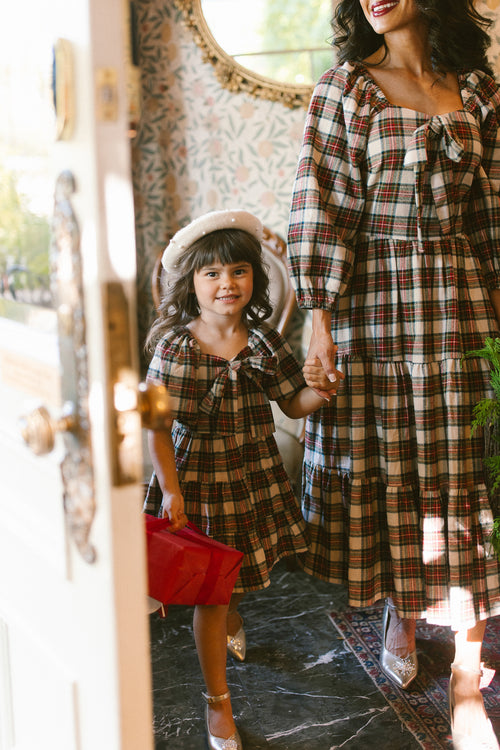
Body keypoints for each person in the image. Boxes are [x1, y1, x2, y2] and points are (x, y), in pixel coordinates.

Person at [287, 1, 500, 748]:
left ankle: (469, 673)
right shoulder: (344, 89)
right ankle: (401, 616)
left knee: (462, 471)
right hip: (373, 309)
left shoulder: (477, 87)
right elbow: (322, 208)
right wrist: (319, 316)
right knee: (395, 465)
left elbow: (491, 213)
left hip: (461, 305)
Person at [143, 209, 340, 750]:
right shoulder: (175, 349)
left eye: (237, 271)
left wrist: (320, 390)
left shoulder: (264, 344)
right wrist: (172, 488)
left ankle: (231, 613)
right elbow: (157, 428)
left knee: (233, 578)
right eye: (212, 274)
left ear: (254, 278)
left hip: (251, 478)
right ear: (192, 285)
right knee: (211, 592)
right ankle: (217, 702)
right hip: (198, 483)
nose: (226, 283)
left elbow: (292, 404)